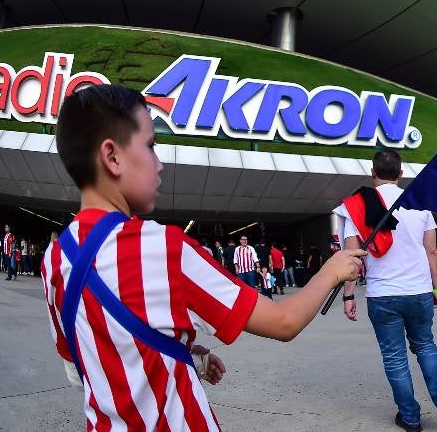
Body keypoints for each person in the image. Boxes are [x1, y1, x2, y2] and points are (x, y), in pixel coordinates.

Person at [41, 83, 364, 430]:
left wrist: (182, 354)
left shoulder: (54, 258)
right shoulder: (163, 249)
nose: (159, 163)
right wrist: (331, 271)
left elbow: (83, 365)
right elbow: (284, 321)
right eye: (150, 145)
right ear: (113, 157)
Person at [335, 150, 437, 432]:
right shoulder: (420, 204)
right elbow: (432, 250)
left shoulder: (354, 207)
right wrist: (434, 287)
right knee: (426, 345)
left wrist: (348, 296)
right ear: (401, 174)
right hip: (419, 290)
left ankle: (411, 418)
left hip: (382, 294)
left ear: (372, 173)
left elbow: (351, 257)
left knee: (395, 357)